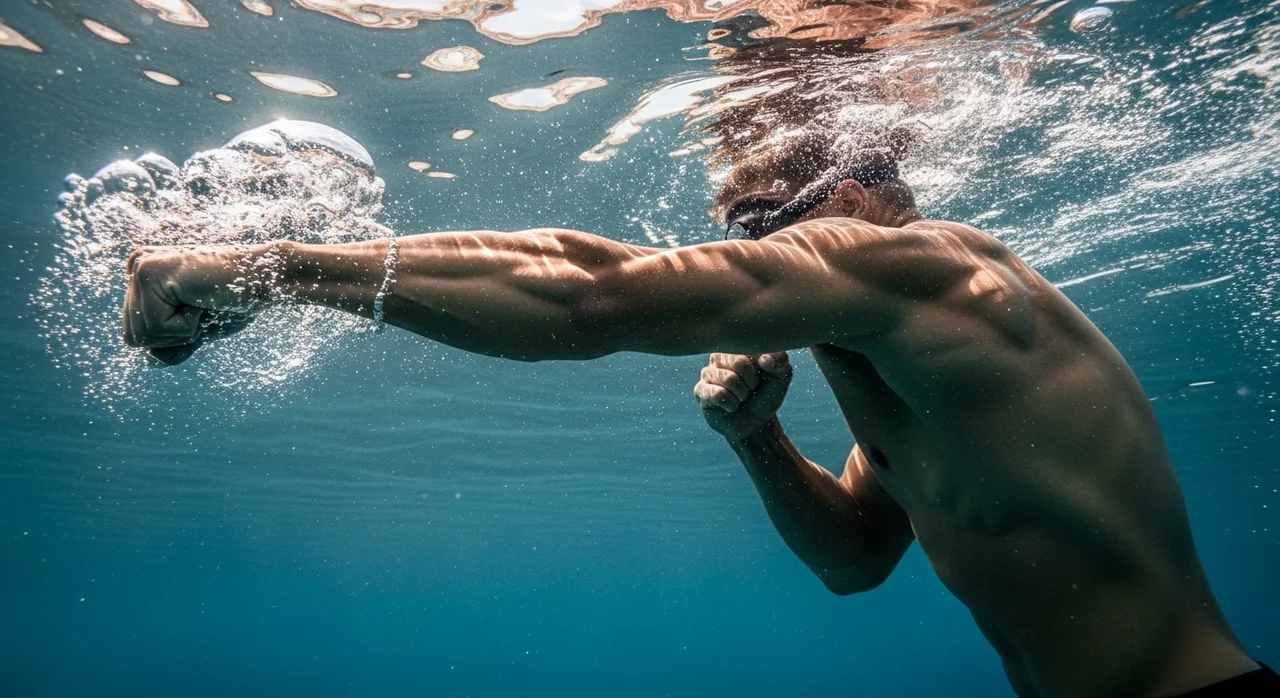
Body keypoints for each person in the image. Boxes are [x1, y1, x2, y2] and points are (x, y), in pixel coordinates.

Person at [119, 134, 1274, 697]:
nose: (740, 254)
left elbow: (593, 293)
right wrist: (754, 439)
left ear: (860, 195)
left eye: (764, 218)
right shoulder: (890, 348)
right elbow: (862, 557)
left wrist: (234, 268)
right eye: (734, 225)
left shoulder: (922, 271)